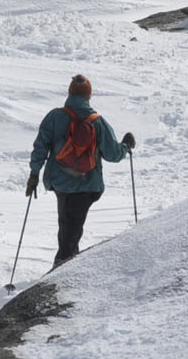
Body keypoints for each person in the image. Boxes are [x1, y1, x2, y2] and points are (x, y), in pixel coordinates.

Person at [26, 74, 134, 266]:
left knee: (67, 226)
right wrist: (126, 146)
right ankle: (63, 269)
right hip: (87, 184)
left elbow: (40, 147)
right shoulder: (97, 121)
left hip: (60, 183)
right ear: (88, 96)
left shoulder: (54, 117)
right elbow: (113, 154)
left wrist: (34, 174)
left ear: (69, 93)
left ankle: (63, 266)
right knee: (72, 229)